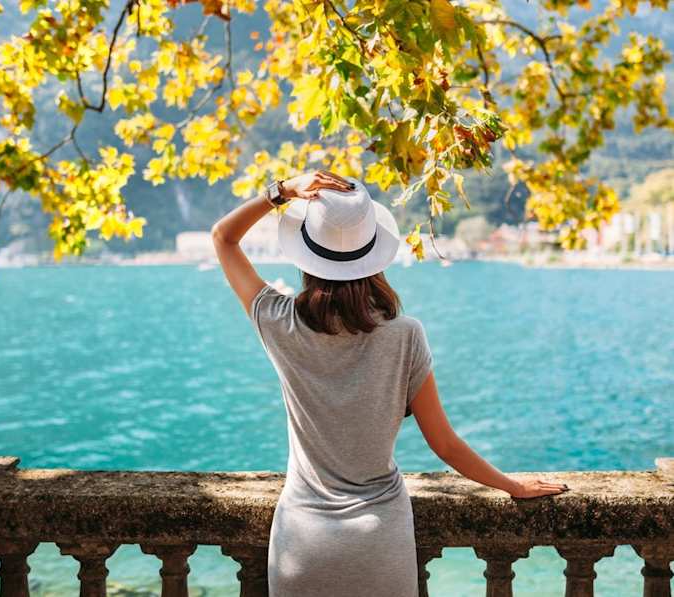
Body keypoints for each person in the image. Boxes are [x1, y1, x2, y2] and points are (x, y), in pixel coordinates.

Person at [211, 170, 569, 597]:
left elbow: (223, 238)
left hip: (302, 543)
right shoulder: (405, 335)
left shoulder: (280, 323)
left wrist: (281, 191)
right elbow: (446, 445)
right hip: (378, 539)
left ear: (306, 255)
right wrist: (512, 486)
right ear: (373, 255)